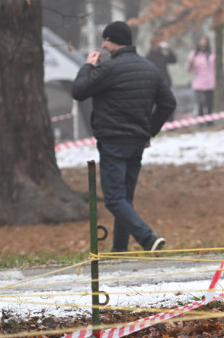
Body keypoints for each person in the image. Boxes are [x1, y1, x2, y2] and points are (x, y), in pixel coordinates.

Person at [72, 21, 176, 253]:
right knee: (124, 199)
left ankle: (147, 238)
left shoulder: (108, 69)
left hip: (113, 142)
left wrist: (88, 66)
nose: (103, 45)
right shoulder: (150, 68)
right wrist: (149, 131)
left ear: (114, 42)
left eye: (105, 40)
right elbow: (168, 103)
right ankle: (119, 250)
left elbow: (78, 91)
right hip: (137, 142)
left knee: (113, 199)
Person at [186, 36, 216, 117]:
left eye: (204, 43)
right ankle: (200, 119)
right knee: (201, 102)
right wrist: (190, 63)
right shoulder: (194, 54)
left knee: (210, 103)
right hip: (199, 83)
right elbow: (189, 69)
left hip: (210, 83)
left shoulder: (211, 54)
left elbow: (215, 68)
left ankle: (209, 120)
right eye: (201, 43)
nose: (203, 45)